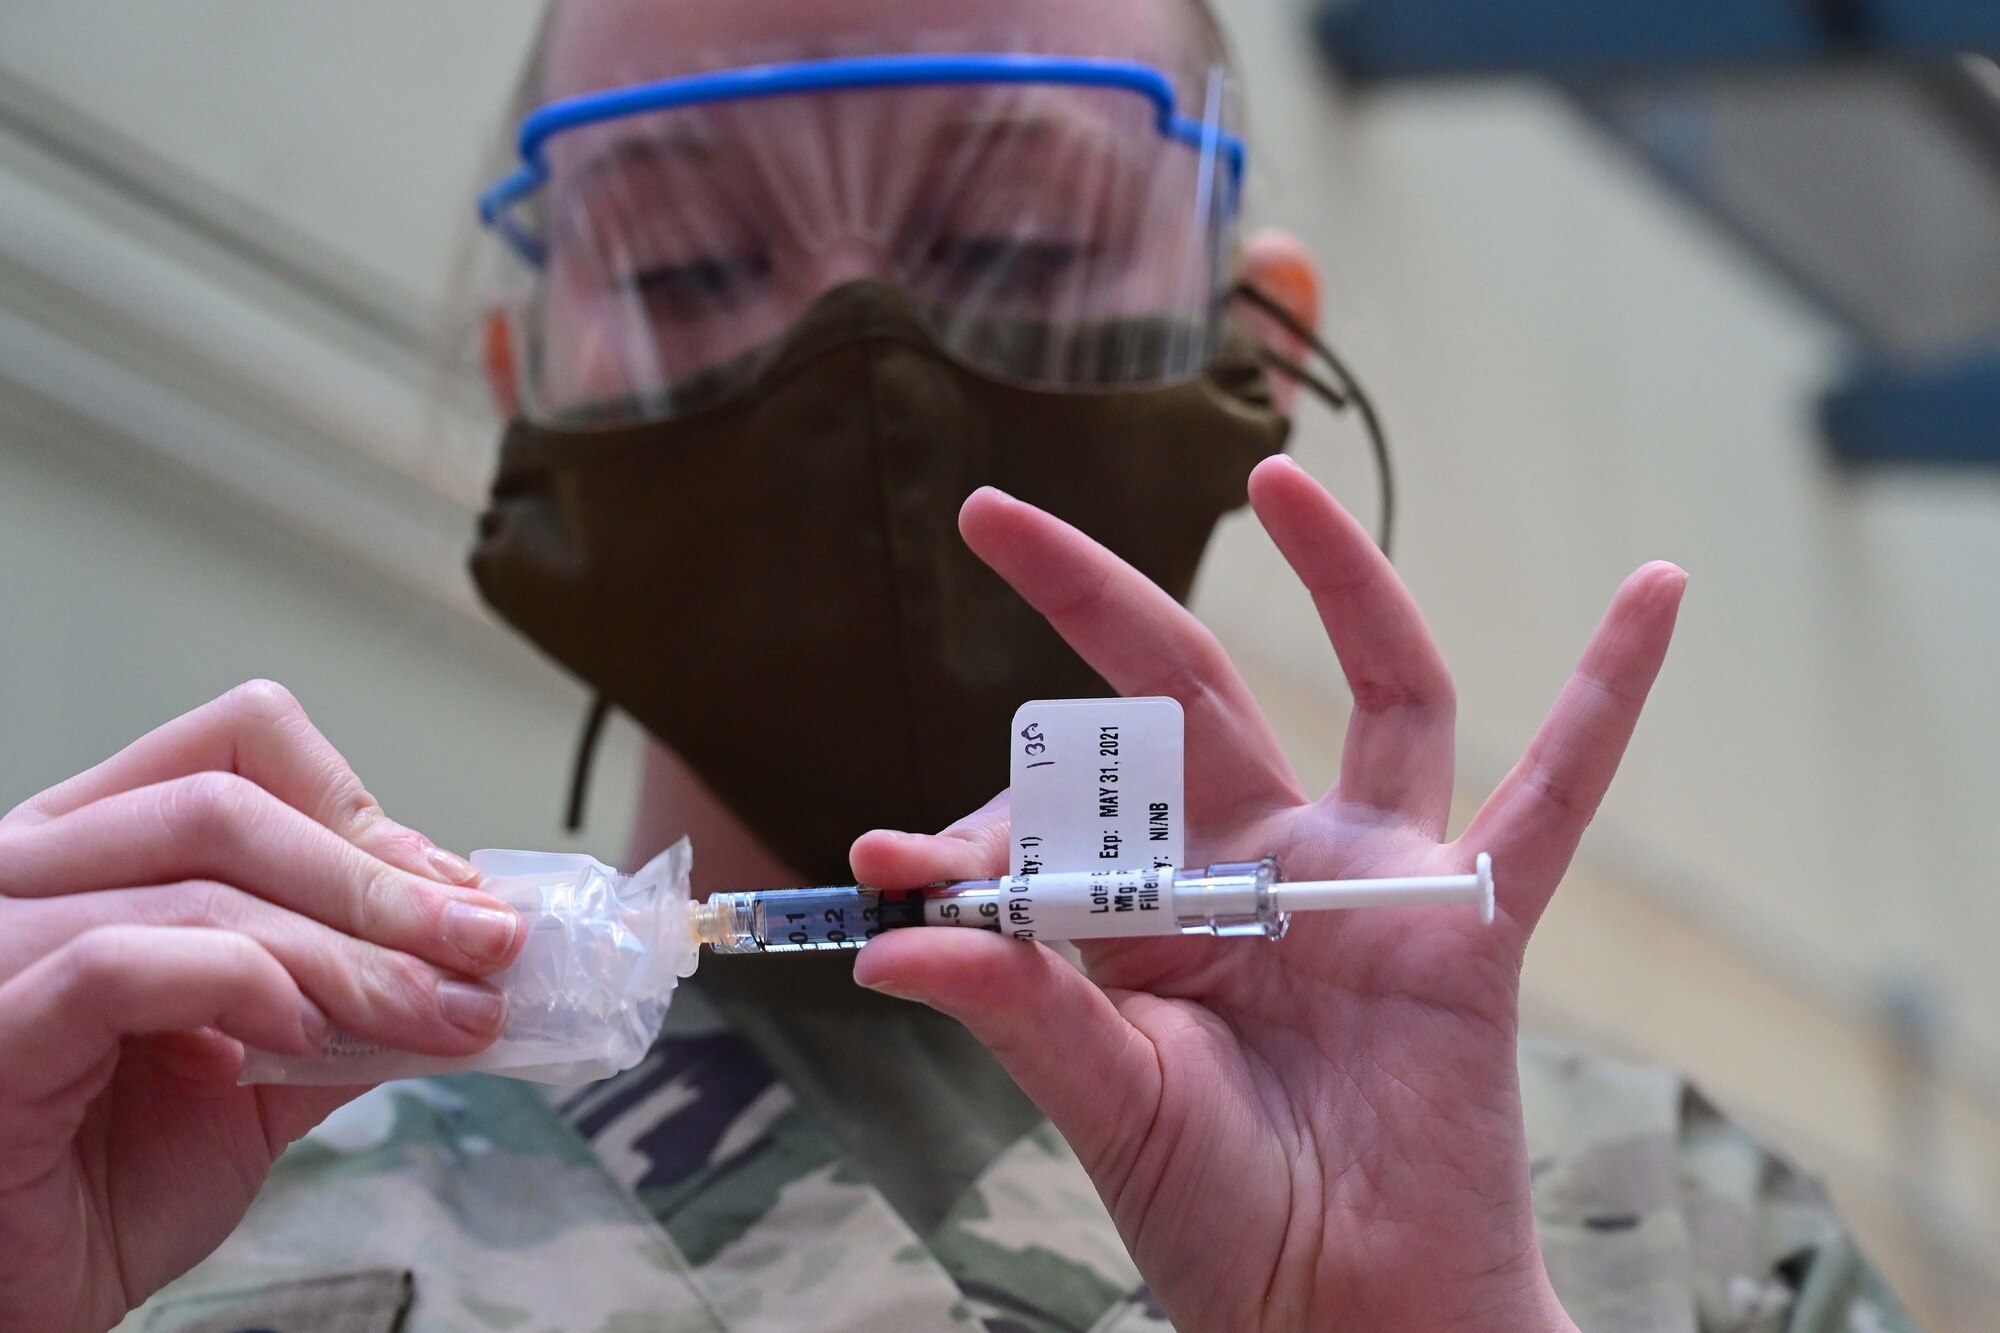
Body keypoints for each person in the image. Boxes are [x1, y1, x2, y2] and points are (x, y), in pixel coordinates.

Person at [0, 2, 1915, 1330]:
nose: (858, 347)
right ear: (529, 394)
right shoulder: (154, 1184)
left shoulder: (1665, 1234)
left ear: (1249, 337)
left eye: (1009, 236)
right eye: (680, 272)